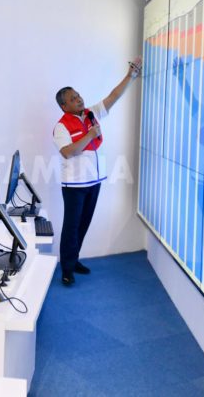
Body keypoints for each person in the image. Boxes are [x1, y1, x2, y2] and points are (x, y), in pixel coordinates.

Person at [53, 58, 141, 285]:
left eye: (78, 95)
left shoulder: (91, 114)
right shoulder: (61, 126)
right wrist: (90, 135)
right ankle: (67, 269)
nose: (79, 99)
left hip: (94, 182)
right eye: (73, 99)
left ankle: (74, 260)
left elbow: (113, 96)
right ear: (64, 106)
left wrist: (130, 75)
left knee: (83, 224)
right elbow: (68, 152)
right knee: (71, 227)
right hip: (75, 185)